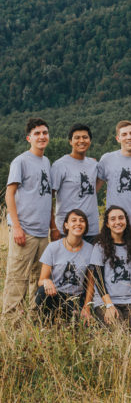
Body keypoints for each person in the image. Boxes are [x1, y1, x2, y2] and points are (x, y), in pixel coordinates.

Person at [3, 118, 54, 316]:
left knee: (38, 278)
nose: (42, 136)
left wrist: (52, 226)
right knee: (17, 278)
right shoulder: (21, 161)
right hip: (24, 229)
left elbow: (48, 196)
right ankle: (11, 320)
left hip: (42, 233)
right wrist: (16, 227)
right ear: (29, 138)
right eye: (37, 133)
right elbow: (9, 193)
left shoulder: (46, 162)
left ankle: (35, 318)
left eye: (45, 133)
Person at [90, 206, 131, 329]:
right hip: (106, 301)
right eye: (113, 219)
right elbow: (98, 279)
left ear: (126, 221)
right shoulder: (100, 247)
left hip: (130, 299)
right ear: (107, 224)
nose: (118, 222)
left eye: (121, 218)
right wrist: (109, 306)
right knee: (119, 331)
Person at [36, 209, 94, 322]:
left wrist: (87, 307)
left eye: (82, 221)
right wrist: (46, 281)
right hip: (55, 295)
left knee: (79, 325)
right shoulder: (53, 247)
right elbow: (41, 280)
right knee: (42, 291)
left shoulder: (90, 249)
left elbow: (91, 283)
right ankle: (45, 322)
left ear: (85, 226)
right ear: (66, 225)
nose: (78, 223)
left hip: (76, 298)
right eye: (74, 220)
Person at [51, 123, 99, 243]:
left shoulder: (94, 164)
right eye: (77, 137)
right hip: (66, 230)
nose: (81, 140)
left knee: (91, 262)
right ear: (70, 141)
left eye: (85, 137)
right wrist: (53, 227)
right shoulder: (60, 165)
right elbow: (48, 197)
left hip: (91, 230)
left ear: (90, 141)